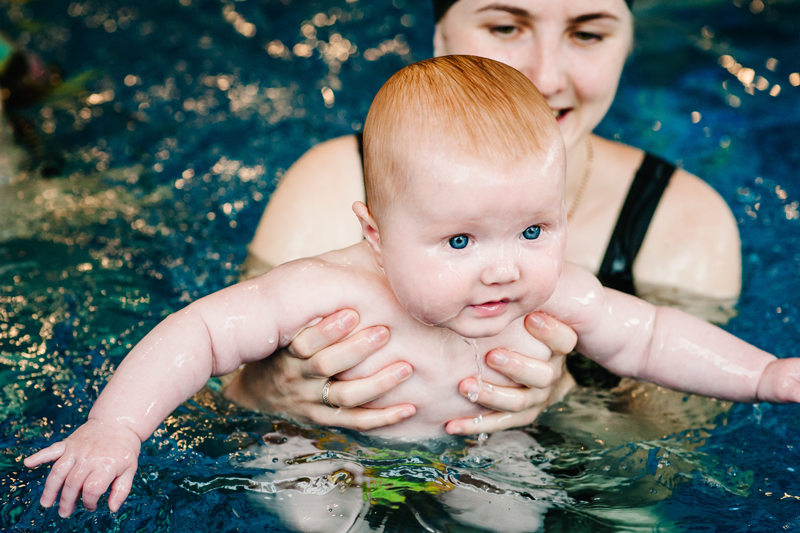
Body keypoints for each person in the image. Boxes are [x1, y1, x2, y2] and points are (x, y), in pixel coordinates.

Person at [25, 56, 791, 521]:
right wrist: (116, 427)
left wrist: (762, 373)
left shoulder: (556, 292)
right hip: (325, 446)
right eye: (459, 240)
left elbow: (654, 336)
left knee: (512, 515)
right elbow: (199, 333)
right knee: (315, 508)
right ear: (374, 233)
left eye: (533, 230)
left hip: (484, 450)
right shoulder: (323, 288)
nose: (503, 267)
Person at [229, 0, 743, 434]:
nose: (544, 77)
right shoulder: (335, 182)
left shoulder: (680, 225)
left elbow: (672, 464)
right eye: (505, 27)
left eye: (587, 34)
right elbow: (206, 403)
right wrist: (263, 391)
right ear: (439, 36)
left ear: (628, 44)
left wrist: (561, 398)